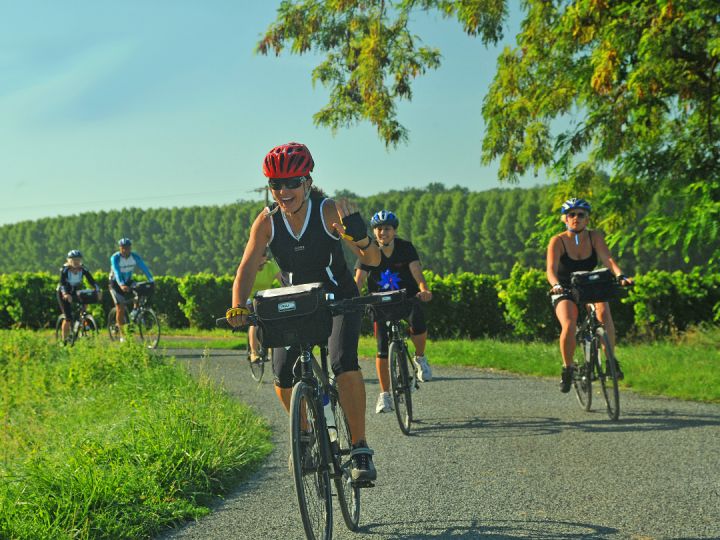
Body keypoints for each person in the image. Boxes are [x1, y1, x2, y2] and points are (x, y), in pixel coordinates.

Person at [226, 142, 381, 482]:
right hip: (297, 302)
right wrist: (238, 305)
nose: (284, 191)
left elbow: (371, 261)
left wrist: (362, 239)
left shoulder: (327, 212)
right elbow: (247, 268)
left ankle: (360, 448)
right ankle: (306, 434)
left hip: (339, 298)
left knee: (342, 362)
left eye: (292, 182)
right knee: (282, 372)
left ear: (308, 181)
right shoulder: (267, 221)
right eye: (276, 184)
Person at [546, 198, 634, 393]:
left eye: (581, 214)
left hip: (589, 284)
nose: (576, 218)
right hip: (565, 287)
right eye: (571, 214)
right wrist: (556, 285)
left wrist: (620, 275)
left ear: (587, 219)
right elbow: (550, 270)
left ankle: (611, 360)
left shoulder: (595, 237)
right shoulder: (557, 241)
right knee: (569, 322)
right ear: (565, 219)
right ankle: (568, 368)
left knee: (604, 312)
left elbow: (607, 259)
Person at [353, 210, 433, 414]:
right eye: (378, 229)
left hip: (405, 297)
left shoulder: (405, 248)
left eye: (387, 229)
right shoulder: (368, 251)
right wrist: (354, 298)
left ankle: (420, 358)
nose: (382, 233)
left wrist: (423, 289)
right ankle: (384, 395)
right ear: (374, 231)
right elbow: (360, 279)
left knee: (418, 322)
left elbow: (416, 271)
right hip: (380, 303)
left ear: (394, 231)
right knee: (381, 347)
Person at [109, 238, 154, 341]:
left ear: (130, 248)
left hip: (128, 280)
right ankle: (122, 335)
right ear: (120, 248)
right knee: (120, 307)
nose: (125, 250)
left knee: (140, 292)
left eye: (128, 248)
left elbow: (144, 268)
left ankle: (134, 312)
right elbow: (116, 271)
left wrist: (151, 280)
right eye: (123, 248)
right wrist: (121, 284)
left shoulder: (134, 256)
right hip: (115, 283)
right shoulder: (115, 258)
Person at [247, 248, 283, 362]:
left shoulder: (271, 266)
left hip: (265, 298)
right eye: (260, 254)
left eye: (264, 254)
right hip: (250, 298)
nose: (263, 257)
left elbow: (283, 281)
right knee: (255, 322)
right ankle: (253, 352)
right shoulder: (249, 267)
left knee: (273, 320)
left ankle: (273, 349)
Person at [56, 250, 100, 342]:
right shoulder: (65, 269)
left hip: (74, 291)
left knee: (85, 303)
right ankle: (64, 340)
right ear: (68, 260)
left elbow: (91, 280)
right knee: (68, 317)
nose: (76, 262)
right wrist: (65, 294)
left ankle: (81, 323)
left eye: (78, 259)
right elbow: (62, 284)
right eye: (73, 260)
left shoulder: (83, 268)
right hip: (63, 292)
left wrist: (98, 290)